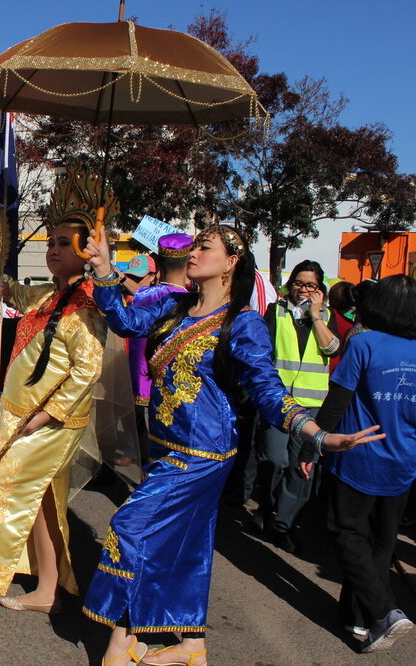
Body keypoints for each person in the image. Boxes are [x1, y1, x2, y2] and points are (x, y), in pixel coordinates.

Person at [79, 225, 383, 666]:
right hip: (164, 445)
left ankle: (123, 637)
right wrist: (105, 268)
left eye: (205, 247)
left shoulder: (241, 322)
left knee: (130, 528)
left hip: (202, 453)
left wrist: (315, 433)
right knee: (187, 543)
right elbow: (125, 322)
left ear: (231, 262)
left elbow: (266, 387)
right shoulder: (173, 303)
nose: (194, 252)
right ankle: (190, 644)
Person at [0, 220, 106, 635]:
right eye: (50, 242)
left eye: (62, 243)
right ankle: (48, 589)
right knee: (41, 503)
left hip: (48, 421)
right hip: (20, 413)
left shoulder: (88, 304)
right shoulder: (47, 294)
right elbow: (3, 288)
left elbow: (88, 370)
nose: (52, 249)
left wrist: (47, 415)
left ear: (86, 251)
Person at [298, 274, 416, 653]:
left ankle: (383, 610)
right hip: (403, 462)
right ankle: (358, 619)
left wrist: (311, 446)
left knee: (348, 534)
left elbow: (337, 401)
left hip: (357, 457)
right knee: (381, 543)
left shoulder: (364, 343)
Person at [252, 260, 339, 553]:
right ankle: (266, 506)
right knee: (275, 459)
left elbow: (332, 348)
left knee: (302, 468)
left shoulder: (327, 316)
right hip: (278, 401)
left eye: (311, 285)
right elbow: (261, 352)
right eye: (299, 283)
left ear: (320, 290)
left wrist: (316, 317)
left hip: (313, 404)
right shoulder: (275, 312)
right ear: (290, 285)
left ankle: (283, 525)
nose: (303, 289)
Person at [127, 234, 191, 466]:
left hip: (139, 374)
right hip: (176, 383)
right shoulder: (194, 302)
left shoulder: (143, 295)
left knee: (145, 432)